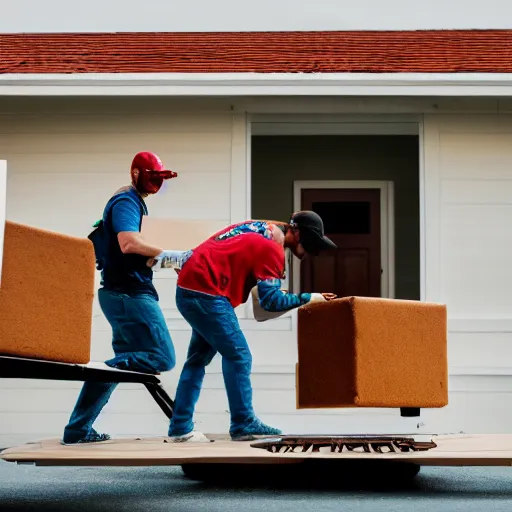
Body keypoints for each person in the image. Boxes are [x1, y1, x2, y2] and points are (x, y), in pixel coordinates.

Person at [165, 211, 337, 443]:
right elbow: (271, 301)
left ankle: (180, 428)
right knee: (239, 356)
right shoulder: (272, 249)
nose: (309, 253)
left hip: (190, 287)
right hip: (207, 293)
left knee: (197, 359)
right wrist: (310, 298)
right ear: (297, 233)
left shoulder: (262, 227)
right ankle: (243, 423)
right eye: (311, 245)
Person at [61, 151, 180, 445]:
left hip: (120, 293)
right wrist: (173, 254)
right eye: (153, 177)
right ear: (137, 174)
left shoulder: (132, 201)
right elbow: (128, 244)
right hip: (130, 295)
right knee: (162, 356)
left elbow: (137, 254)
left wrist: (170, 261)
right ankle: (110, 369)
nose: (157, 183)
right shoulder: (127, 200)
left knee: (118, 365)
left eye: (160, 178)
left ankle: (78, 429)